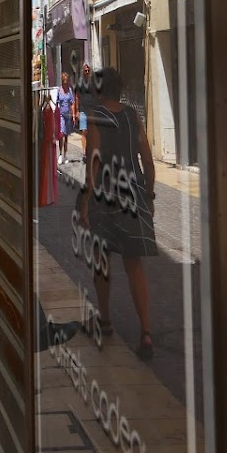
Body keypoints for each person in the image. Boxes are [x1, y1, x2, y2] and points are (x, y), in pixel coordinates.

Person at [79, 66, 158, 359]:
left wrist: (85, 201)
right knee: (134, 264)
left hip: (106, 196)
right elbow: (147, 161)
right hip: (134, 192)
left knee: (102, 261)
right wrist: (149, 196)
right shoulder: (132, 116)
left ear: (99, 90)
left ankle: (105, 320)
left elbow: (94, 161)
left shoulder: (97, 116)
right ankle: (146, 332)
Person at [55, 70, 77, 162]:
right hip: (61, 115)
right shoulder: (59, 90)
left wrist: (73, 115)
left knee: (66, 136)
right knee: (61, 134)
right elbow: (56, 103)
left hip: (68, 115)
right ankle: (60, 154)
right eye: (64, 80)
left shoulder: (70, 90)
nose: (65, 82)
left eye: (66, 80)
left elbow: (72, 103)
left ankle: (65, 155)